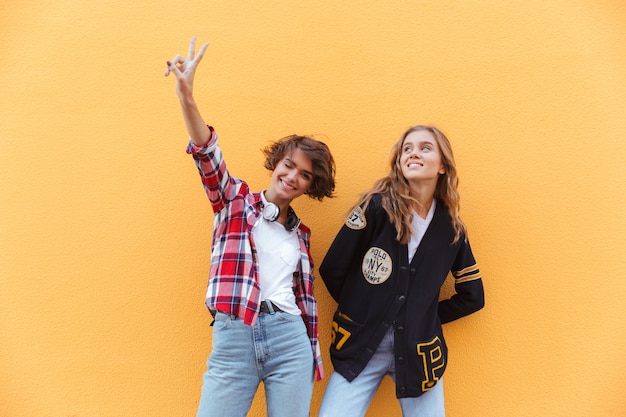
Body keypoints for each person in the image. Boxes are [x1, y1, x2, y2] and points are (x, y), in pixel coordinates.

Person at [165, 37, 336, 417]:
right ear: (276, 163)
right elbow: (207, 153)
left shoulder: (301, 235)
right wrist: (186, 94)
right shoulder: (235, 201)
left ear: (310, 186)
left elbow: (304, 300)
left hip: (290, 339)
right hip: (235, 334)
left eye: (304, 175)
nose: (292, 176)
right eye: (289, 165)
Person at [317, 125, 484, 417]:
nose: (414, 153)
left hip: (419, 354)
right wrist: (367, 309)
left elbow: (473, 295)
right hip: (361, 345)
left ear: (443, 165)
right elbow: (333, 268)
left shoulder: (452, 229)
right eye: (407, 148)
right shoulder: (376, 208)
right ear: (399, 160)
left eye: (425, 147)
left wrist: (422, 317)